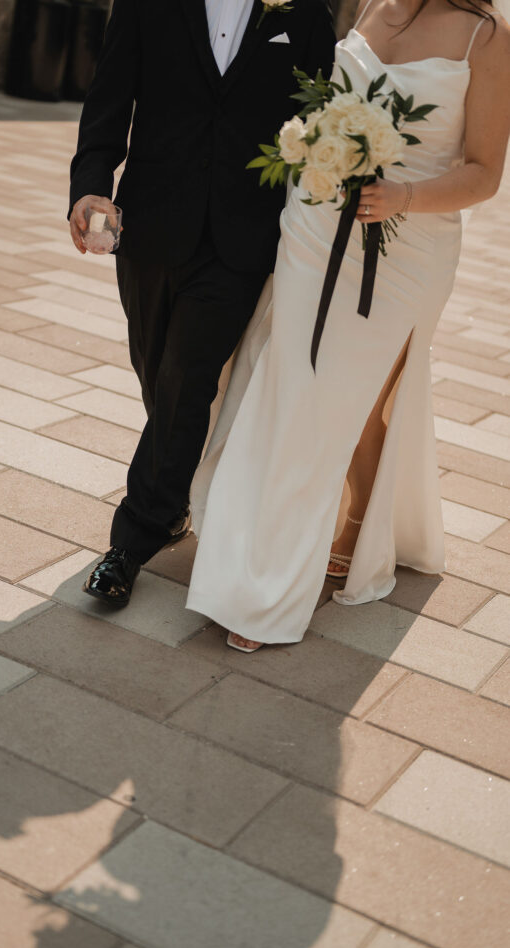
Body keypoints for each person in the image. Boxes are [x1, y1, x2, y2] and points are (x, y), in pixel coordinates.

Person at [186, 0, 510, 650]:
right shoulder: (366, 4)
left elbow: (485, 172)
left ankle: (277, 581)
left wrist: (404, 197)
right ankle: (251, 558)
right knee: (288, 385)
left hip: (407, 245)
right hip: (312, 223)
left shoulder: (488, 37)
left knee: (343, 399)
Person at [68, 0, 336, 606]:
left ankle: (132, 540)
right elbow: (109, 97)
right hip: (151, 223)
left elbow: (322, 124)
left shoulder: (306, 14)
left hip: (242, 237)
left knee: (185, 377)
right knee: (155, 368)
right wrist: (90, 187)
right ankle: (174, 496)